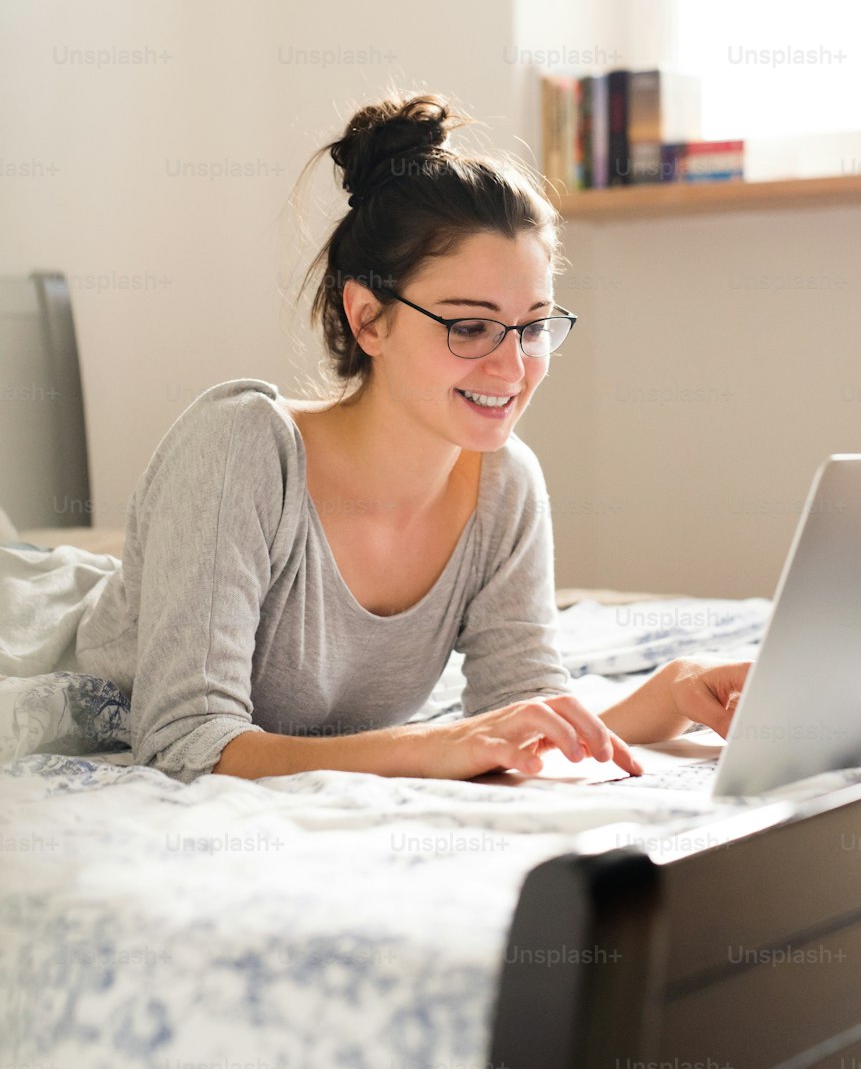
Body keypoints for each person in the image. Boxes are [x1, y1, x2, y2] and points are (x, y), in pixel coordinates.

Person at [71, 91, 749, 784]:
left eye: (534, 325)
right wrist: (433, 747)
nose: (513, 368)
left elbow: (521, 711)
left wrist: (667, 694)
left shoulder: (504, 483)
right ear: (368, 320)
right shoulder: (241, 450)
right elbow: (185, 740)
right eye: (469, 325)